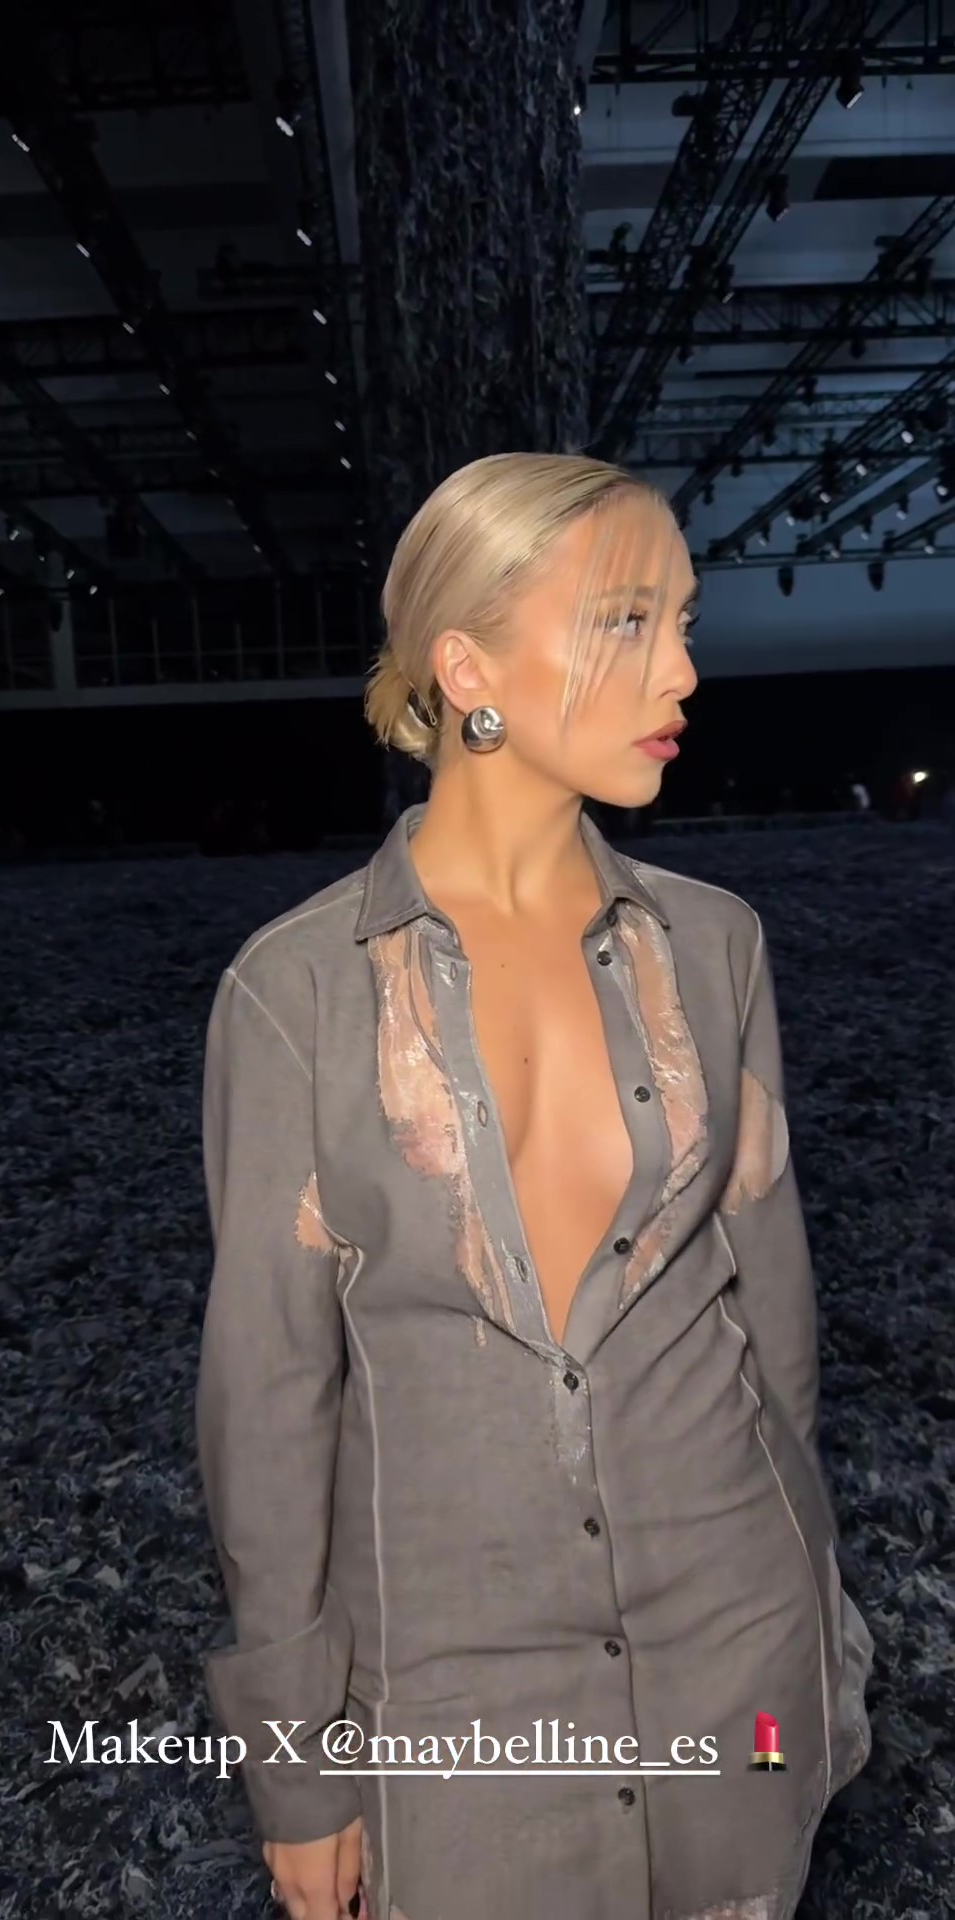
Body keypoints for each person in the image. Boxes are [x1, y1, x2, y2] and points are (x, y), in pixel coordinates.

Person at [195, 454, 874, 1920]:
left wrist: (817, 1636)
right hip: (456, 1705)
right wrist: (298, 1766)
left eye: (683, 621)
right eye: (627, 621)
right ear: (468, 668)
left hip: (740, 1660)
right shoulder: (295, 993)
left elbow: (778, 1329)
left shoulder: (718, 946)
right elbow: (267, 1401)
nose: (683, 670)